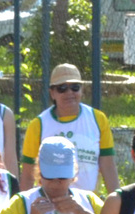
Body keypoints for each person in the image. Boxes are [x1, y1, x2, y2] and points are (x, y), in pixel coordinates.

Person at [19, 62, 115, 193]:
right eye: (62, 88)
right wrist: (25, 204)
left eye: (75, 87)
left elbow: (108, 166)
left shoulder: (98, 119)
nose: (69, 92)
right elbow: (28, 174)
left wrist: (119, 202)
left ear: (82, 90)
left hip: (88, 202)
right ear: (52, 93)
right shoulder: (38, 125)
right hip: (50, 202)